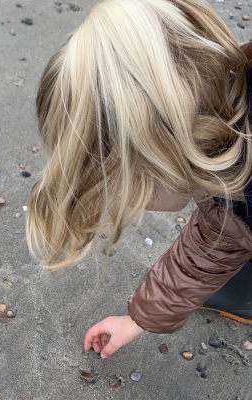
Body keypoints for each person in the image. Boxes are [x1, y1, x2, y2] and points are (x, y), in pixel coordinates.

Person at [26, 0, 252, 359]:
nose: (127, 203)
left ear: (167, 157)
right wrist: (139, 318)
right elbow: (222, 228)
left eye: (123, 190)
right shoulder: (223, 109)